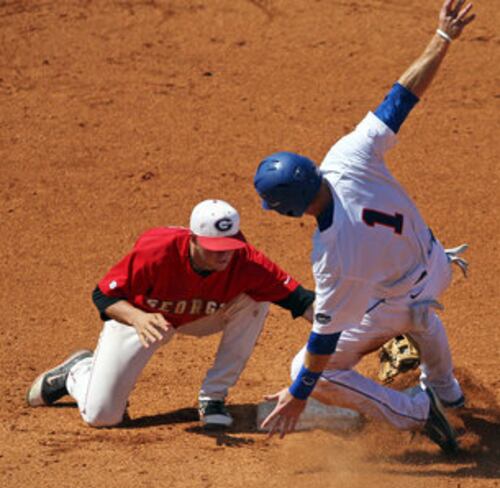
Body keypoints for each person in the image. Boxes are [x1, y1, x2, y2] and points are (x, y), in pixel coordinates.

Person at [253, 0, 474, 454]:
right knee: (413, 305)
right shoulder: (346, 156)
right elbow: (401, 98)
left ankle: (417, 409)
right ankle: (448, 389)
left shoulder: (334, 258)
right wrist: (443, 37)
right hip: (437, 263)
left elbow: (324, 339)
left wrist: (299, 393)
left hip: (399, 295)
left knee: (310, 369)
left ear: (291, 212)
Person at [26, 199, 315, 428]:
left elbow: (301, 301)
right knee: (102, 416)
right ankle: (77, 371)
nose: (224, 255)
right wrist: (137, 317)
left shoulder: (247, 261)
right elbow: (103, 295)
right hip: (145, 320)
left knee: (256, 299)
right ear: (193, 240)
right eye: (215, 249)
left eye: (230, 245)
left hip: (202, 315)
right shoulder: (156, 251)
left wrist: (354, 326)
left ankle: (213, 398)